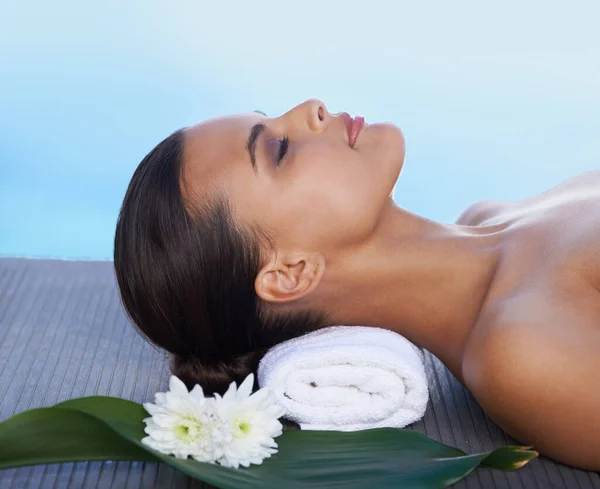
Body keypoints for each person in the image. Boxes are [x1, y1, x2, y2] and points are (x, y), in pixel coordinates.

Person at [114, 98, 600, 471]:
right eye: (278, 149)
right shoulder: (525, 357)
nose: (311, 108)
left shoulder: (490, 217)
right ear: (290, 274)